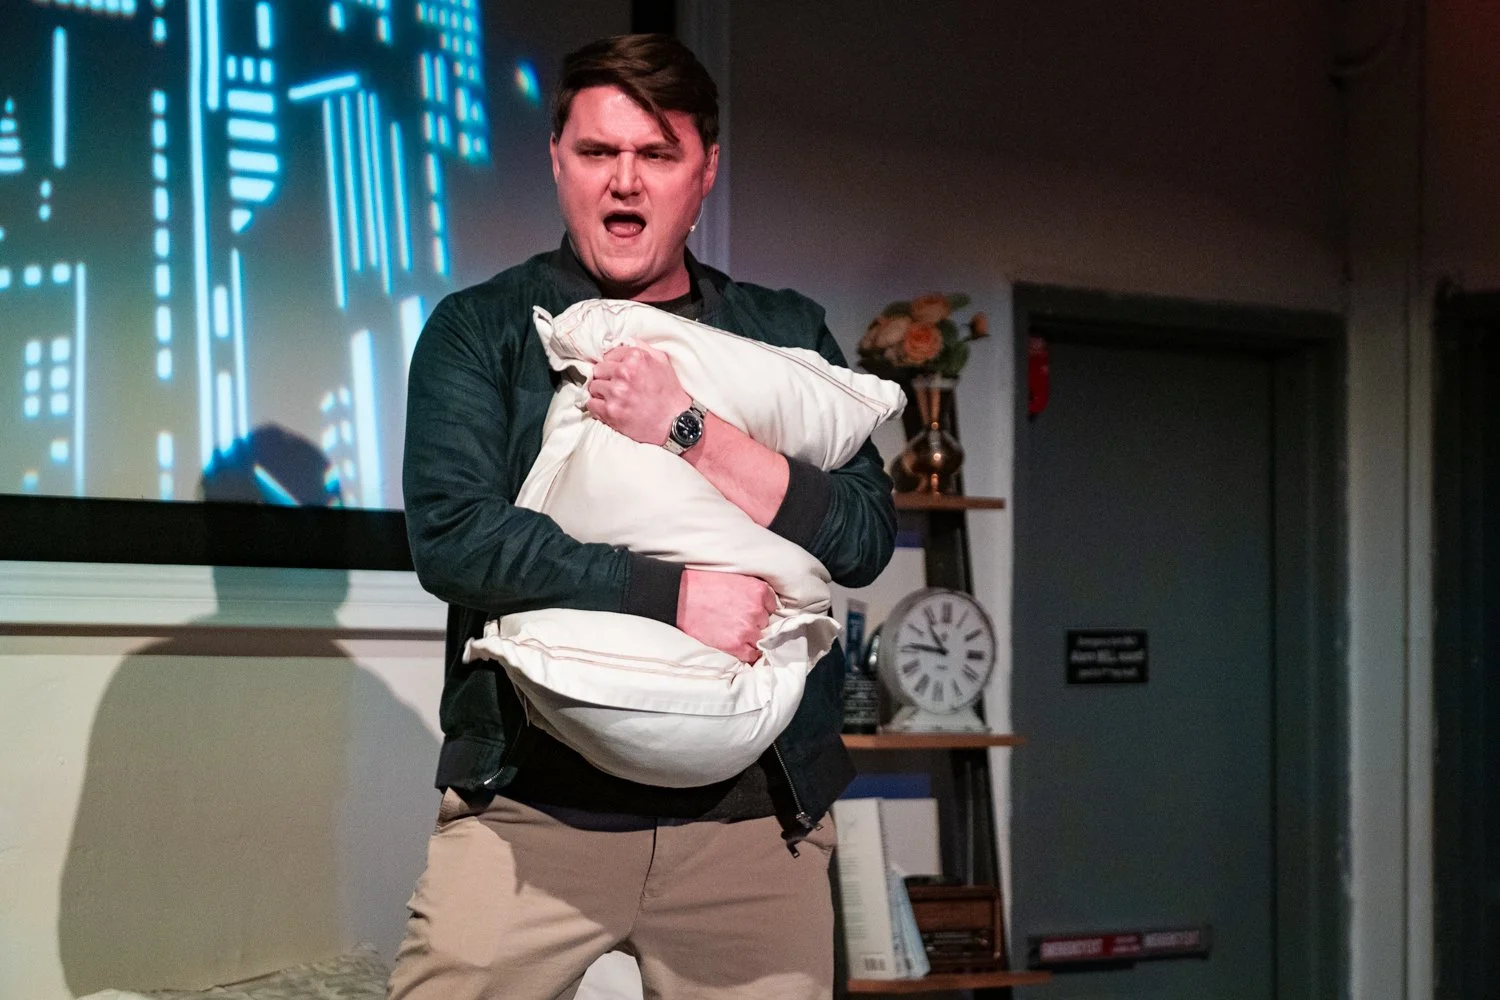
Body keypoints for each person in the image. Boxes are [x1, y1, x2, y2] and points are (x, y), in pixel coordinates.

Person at [390, 33, 896, 1000]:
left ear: (705, 171)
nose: (625, 181)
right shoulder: (482, 328)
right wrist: (669, 595)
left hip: (751, 823)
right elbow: (453, 537)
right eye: (597, 151)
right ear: (557, 161)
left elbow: (864, 538)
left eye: (657, 153)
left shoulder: (785, 333)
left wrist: (689, 429)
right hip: (531, 811)